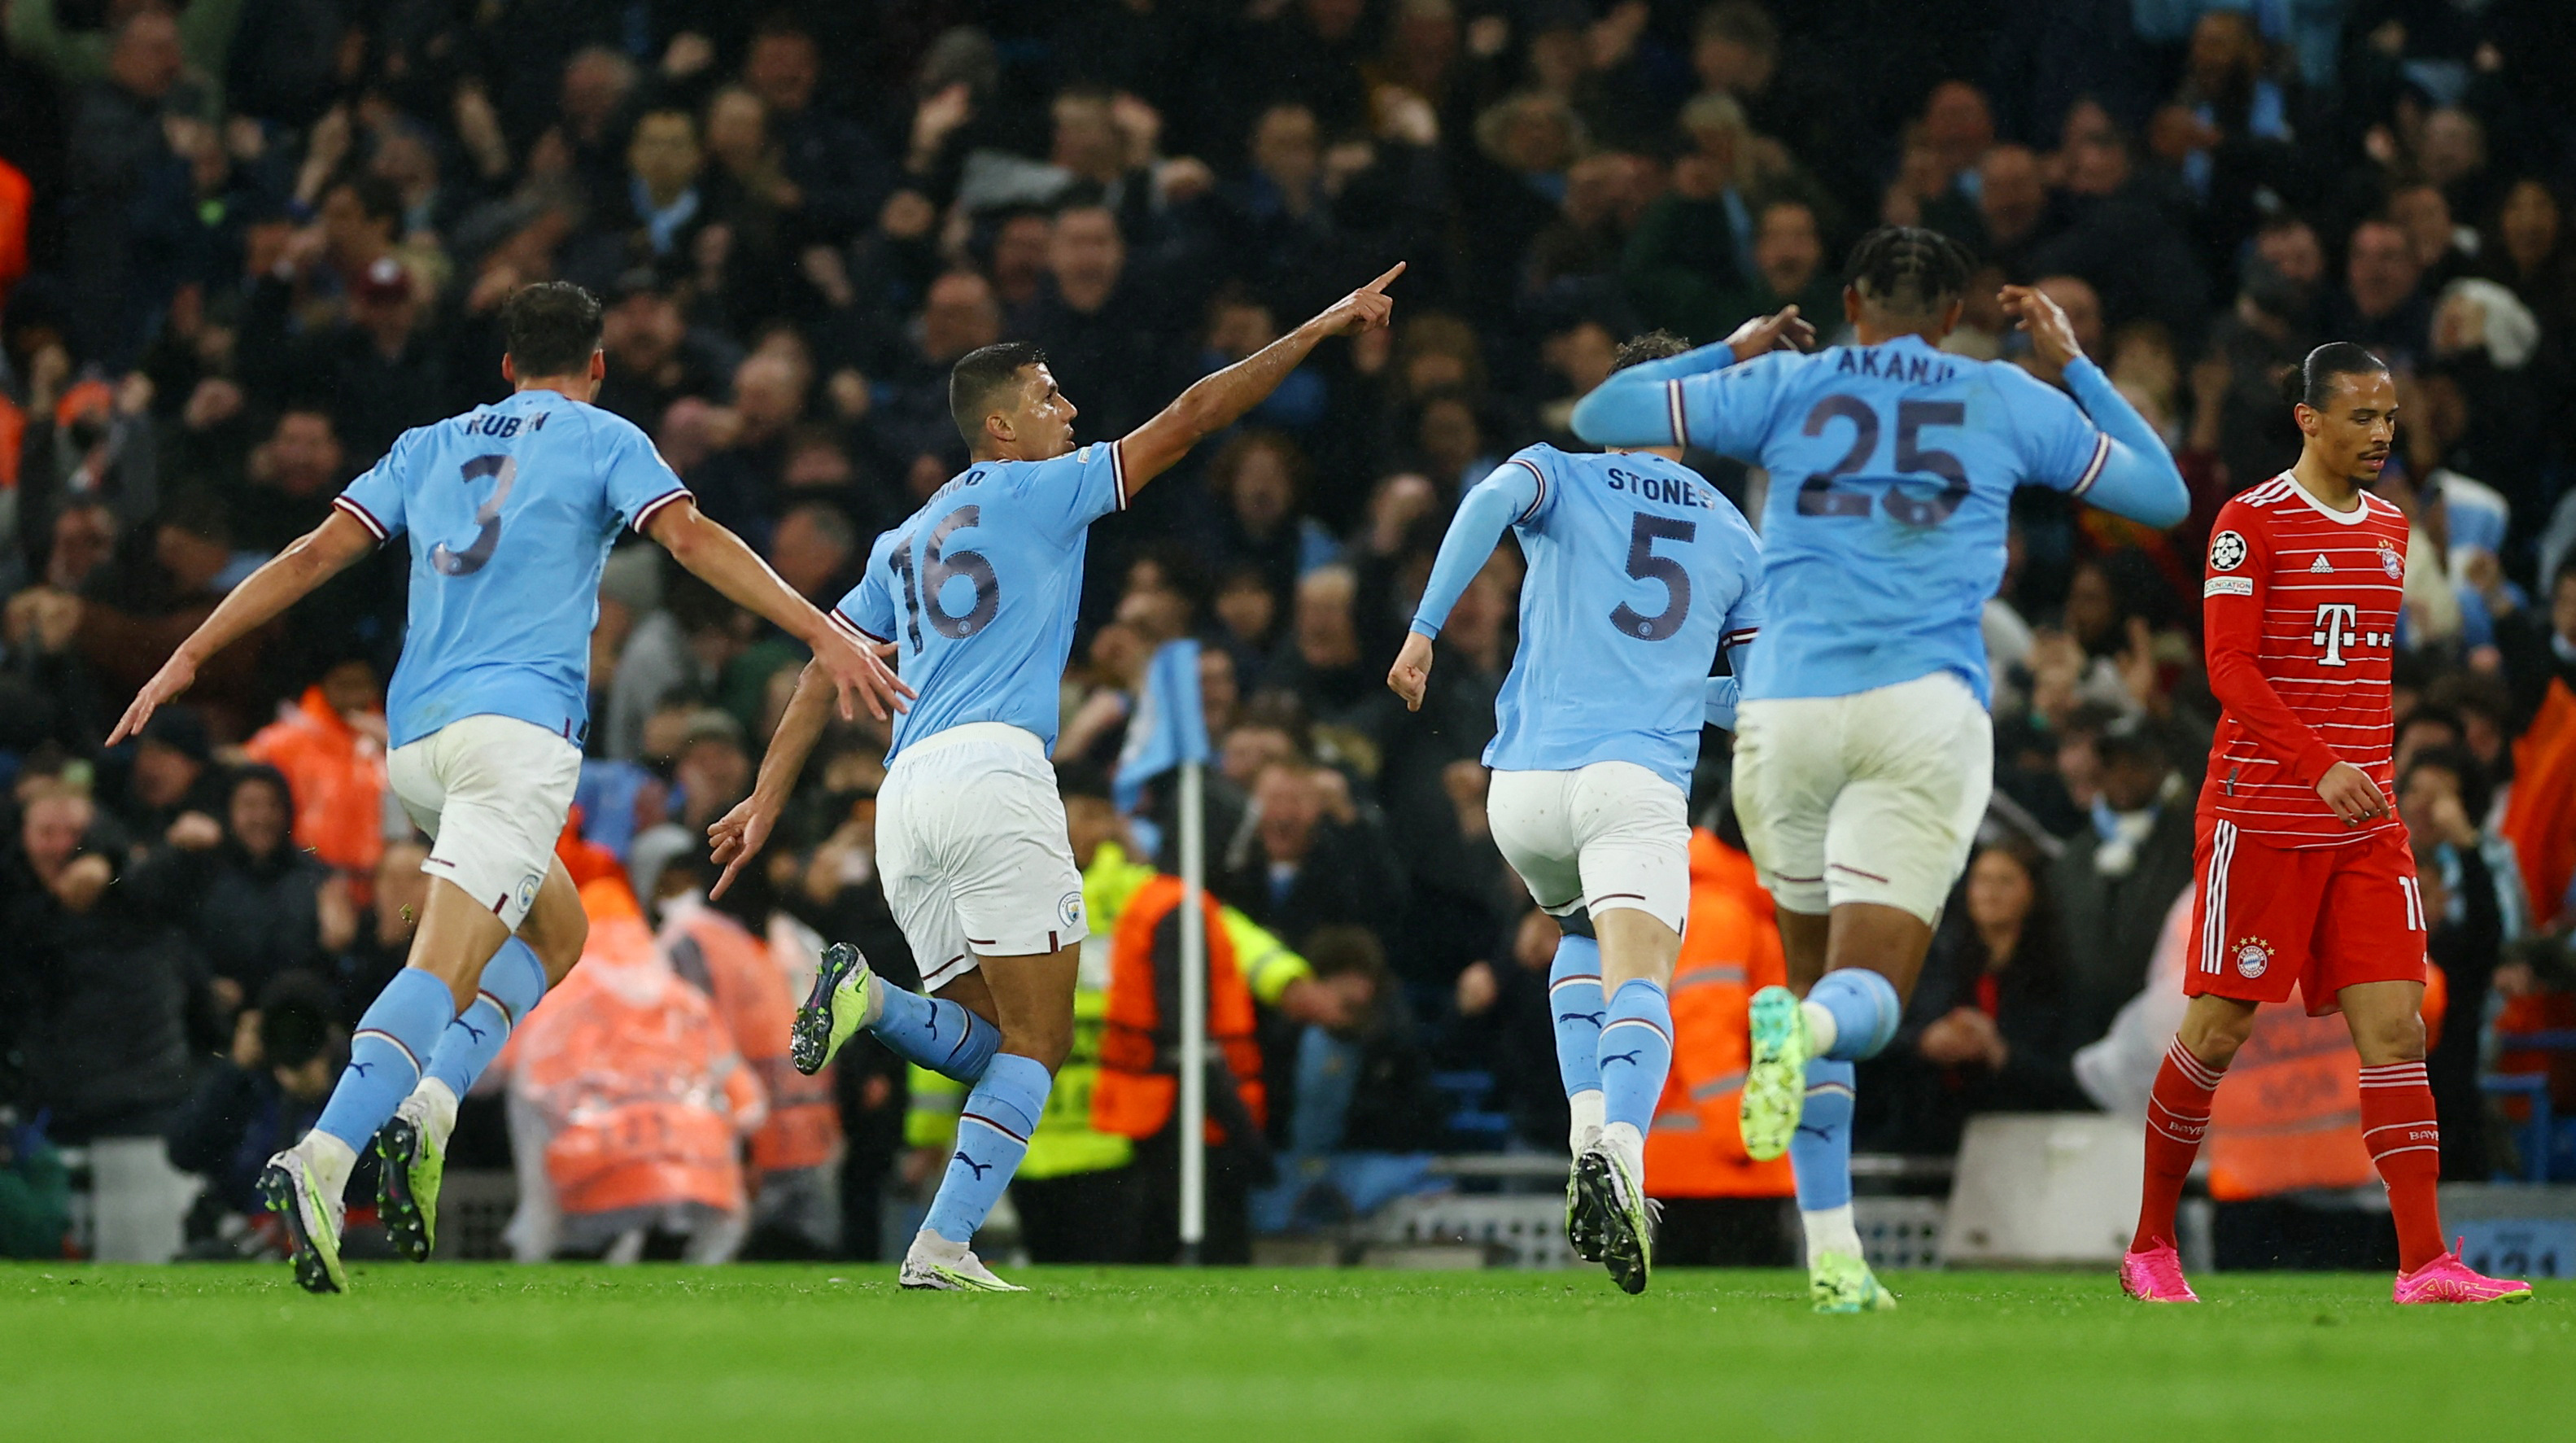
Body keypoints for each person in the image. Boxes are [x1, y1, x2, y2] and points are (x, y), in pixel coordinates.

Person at [102, 281, 909, 1293]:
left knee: (556, 934)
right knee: (441, 966)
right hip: (516, 736)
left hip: (420, 744)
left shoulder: (426, 444)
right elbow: (692, 539)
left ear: (505, 365)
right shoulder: (605, 437)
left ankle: (429, 1104)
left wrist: (189, 652)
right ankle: (322, 1154)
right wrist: (821, 629)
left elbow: (312, 555)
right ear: (598, 364)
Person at [705, 263, 1405, 1290]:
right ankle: (941, 1245)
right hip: (995, 772)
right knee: (1039, 1041)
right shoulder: (1041, 490)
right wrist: (1319, 325)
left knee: (989, 1039)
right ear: (1000, 429)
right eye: (1047, 396)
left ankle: (871, 1007)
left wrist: (768, 798)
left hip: (904, 797)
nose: (1068, 410)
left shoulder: (901, 541)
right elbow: (1196, 413)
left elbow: (826, 665)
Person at [1570, 225, 2191, 1310]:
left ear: (1851, 301)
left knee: (1810, 969)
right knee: (1858, 997)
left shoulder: (1786, 383)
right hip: (1920, 713)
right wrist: (2070, 360)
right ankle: (1803, 1039)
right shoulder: (2003, 395)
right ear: (1954, 316)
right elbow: (2161, 495)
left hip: (1786, 714)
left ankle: (1835, 1255)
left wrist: (1731, 348)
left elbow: (1599, 417)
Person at [2118, 342, 2531, 1305]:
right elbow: (2228, 671)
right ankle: (2149, 1246)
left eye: (2389, 418)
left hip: (2365, 822)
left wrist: (2360, 773)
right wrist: (2318, 764)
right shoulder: (2247, 524)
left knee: (2395, 1030)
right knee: (2216, 1033)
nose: (2380, 433)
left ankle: (2424, 1261)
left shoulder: (2391, 530)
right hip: (2261, 815)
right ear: (2308, 419)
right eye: (2360, 416)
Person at [1386, 326, 1776, 1294]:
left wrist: (1424, 630)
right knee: (1643, 969)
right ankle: (1624, 1161)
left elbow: (1482, 502)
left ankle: (1583, 1134)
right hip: (1630, 784)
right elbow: (1751, 696)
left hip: (1521, 789)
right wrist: (1684, 688)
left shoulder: (1553, 469)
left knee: (1572, 938)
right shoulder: (1734, 533)